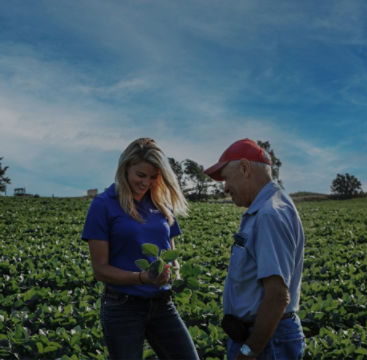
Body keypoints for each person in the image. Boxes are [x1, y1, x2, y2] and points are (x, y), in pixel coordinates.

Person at [82, 137, 199, 360]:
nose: (146, 183)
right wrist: (142, 277)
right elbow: (100, 270)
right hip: (122, 307)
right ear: (125, 168)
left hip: (162, 304)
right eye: (141, 175)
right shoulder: (103, 205)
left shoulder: (161, 205)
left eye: (154, 177)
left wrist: (175, 271)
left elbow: (171, 254)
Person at [204, 138, 305, 360]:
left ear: (244, 168)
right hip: (262, 336)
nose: (226, 187)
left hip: (266, 341)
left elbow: (278, 296)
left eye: (227, 179)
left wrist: (250, 350)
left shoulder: (269, 215)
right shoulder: (267, 208)